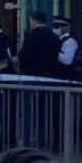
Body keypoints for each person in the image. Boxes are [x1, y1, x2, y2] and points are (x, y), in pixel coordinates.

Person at [16, 12, 62, 151]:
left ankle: (27, 141)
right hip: (49, 79)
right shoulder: (54, 38)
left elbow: (22, 56)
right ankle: (42, 140)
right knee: (44, 111)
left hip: (30, 78)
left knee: (28, 111)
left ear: (34, 21)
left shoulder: (31, 37)